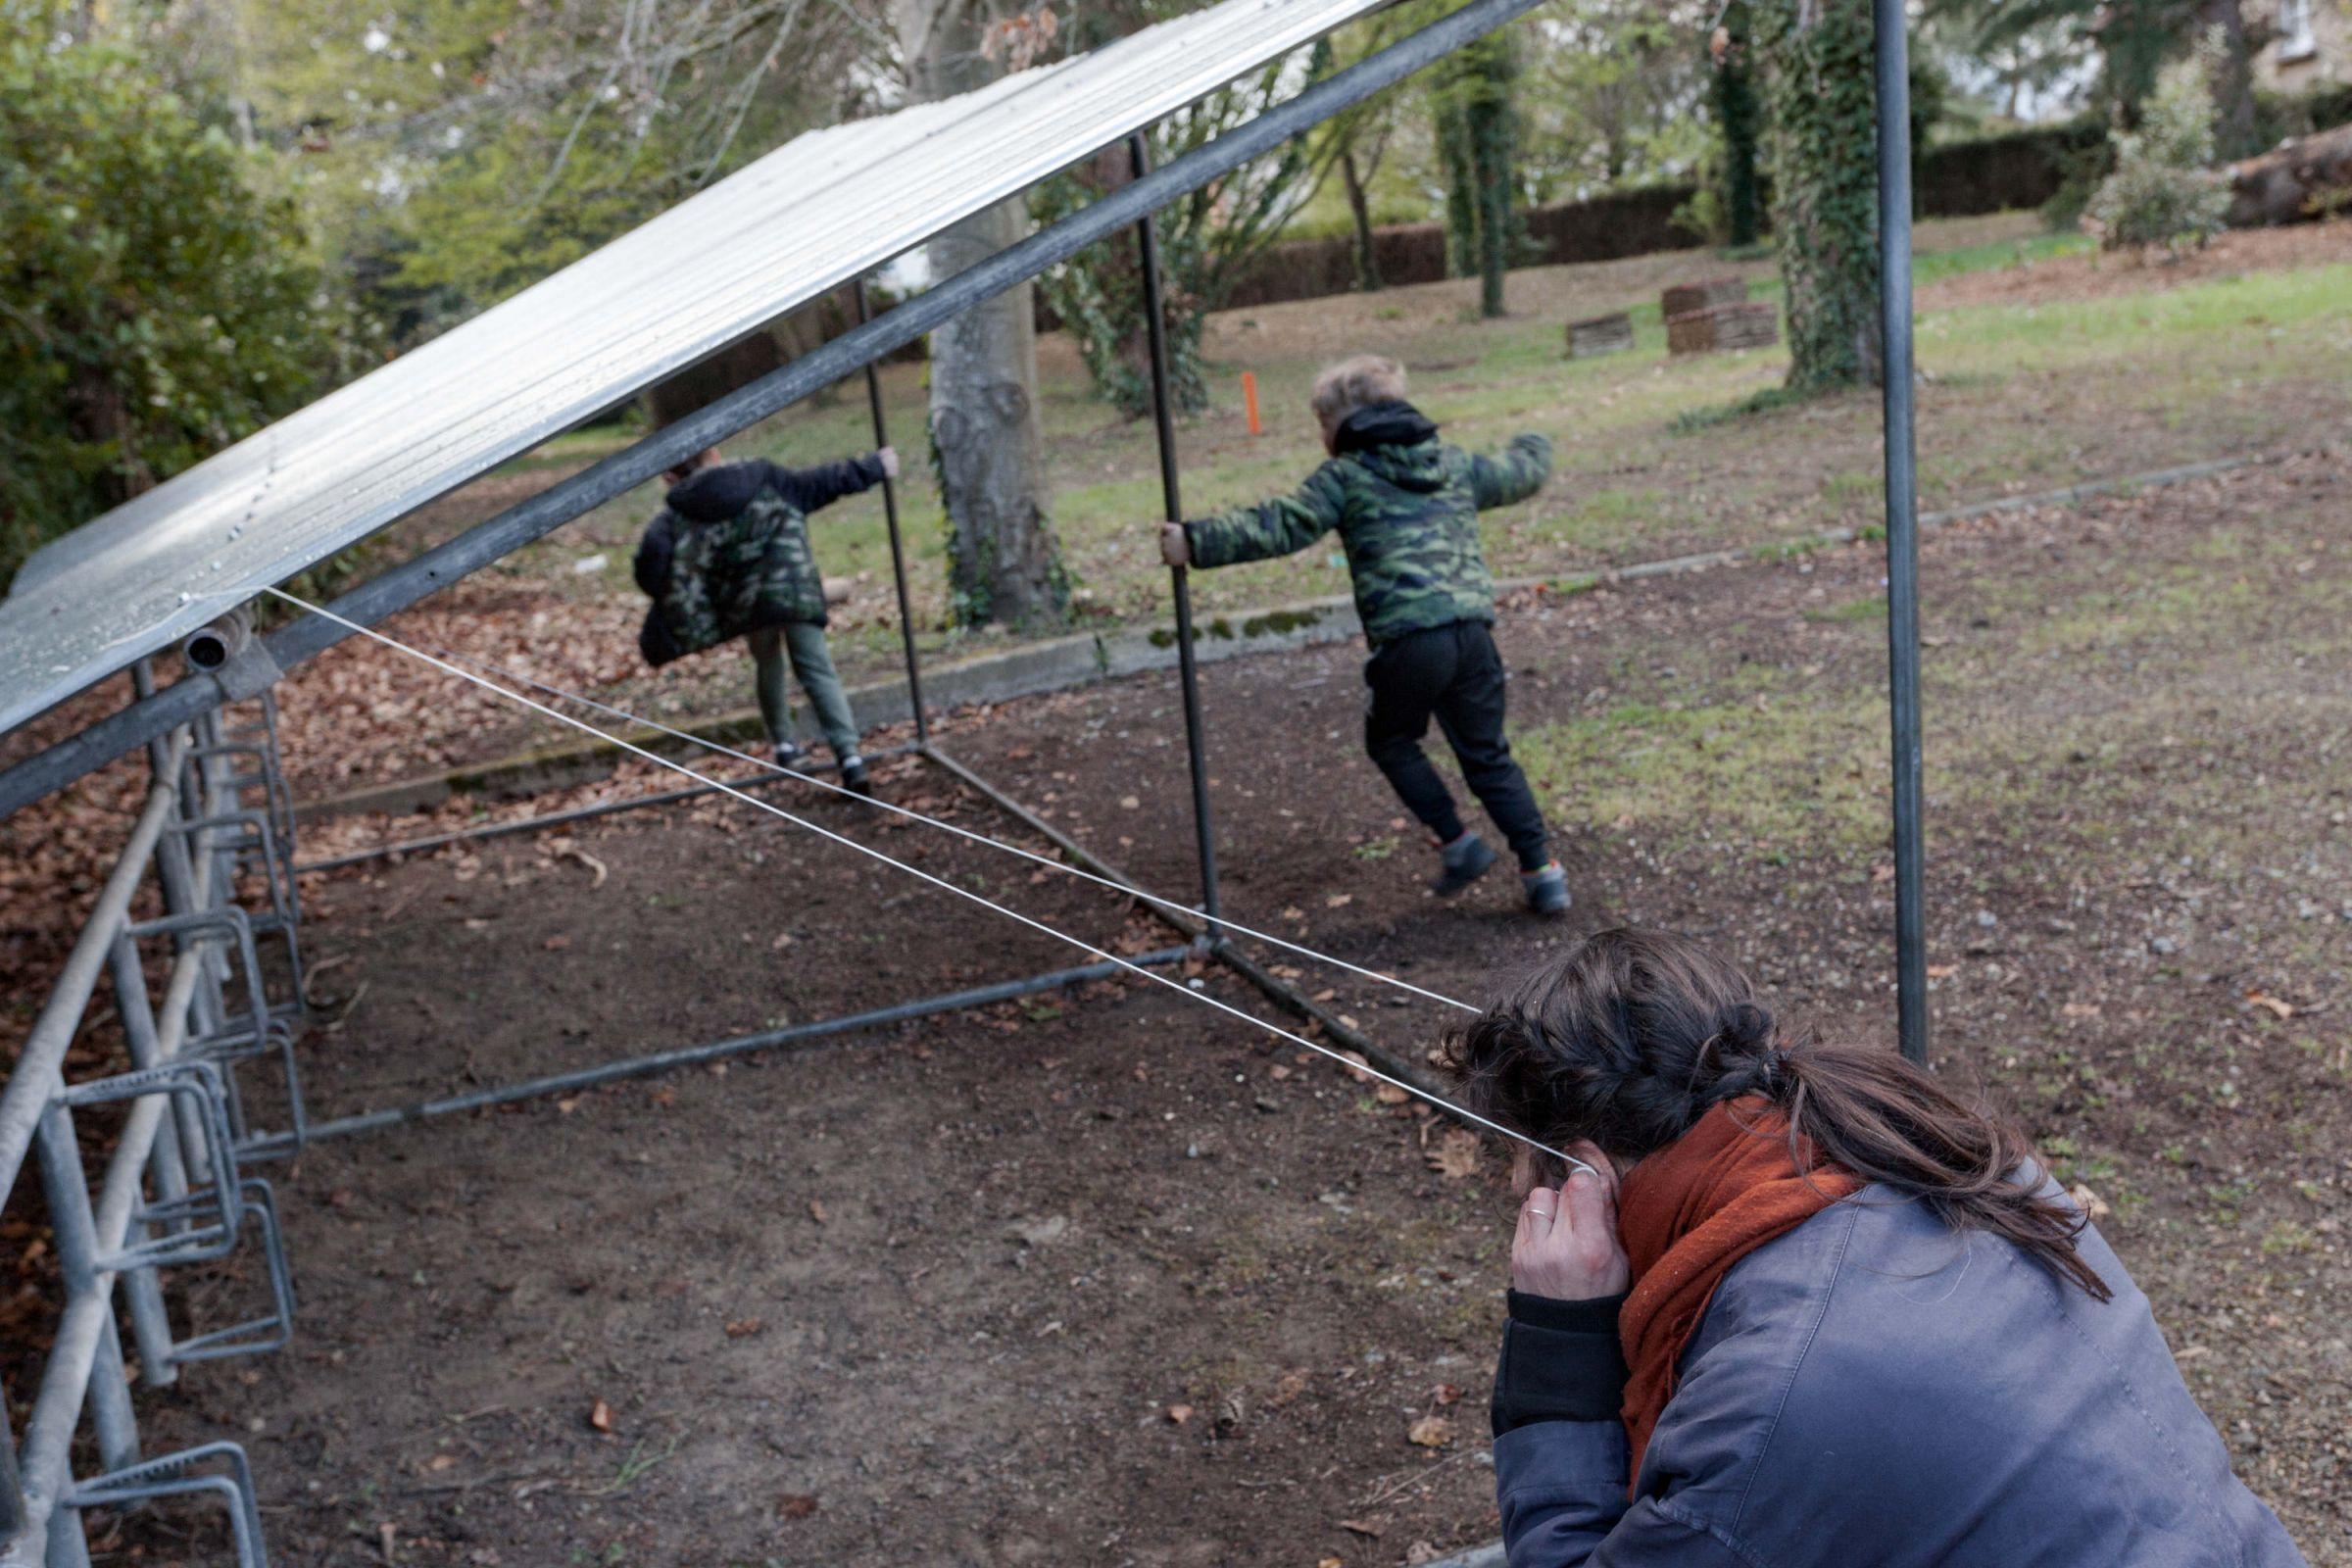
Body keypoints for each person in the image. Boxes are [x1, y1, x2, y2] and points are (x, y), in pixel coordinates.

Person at [1443, 928, 2309, 1568]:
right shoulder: (1941, 1156)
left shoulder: (1763, 1406)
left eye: (1526, 1161)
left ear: (1587, 1170)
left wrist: (1560, 1340)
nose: (1523, 1192)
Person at [1158, 355, 1569, 915]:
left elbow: (1282, 524)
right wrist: (1533, 442)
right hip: (1473, 634)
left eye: (1321, 424)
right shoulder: (1451, 462)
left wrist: (1195, 542)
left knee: (1392, 740)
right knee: (1488, 754)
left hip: (1408, 640)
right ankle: (1542, 872)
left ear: (1342, 423)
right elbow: (1518, 475)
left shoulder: (1346, 477)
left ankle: (1459, 844)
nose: (1321, 437)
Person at [634, 442, 897, 796]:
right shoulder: (767, 479)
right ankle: (849, 757)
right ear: (714, 454)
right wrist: (874, 466)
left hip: (747, 607)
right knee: (817, 669)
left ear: (669, 478)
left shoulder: (677, 516)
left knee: (768, 663)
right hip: (796, 593)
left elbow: (648, 569)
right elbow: (824, 482)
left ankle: (785, 746)